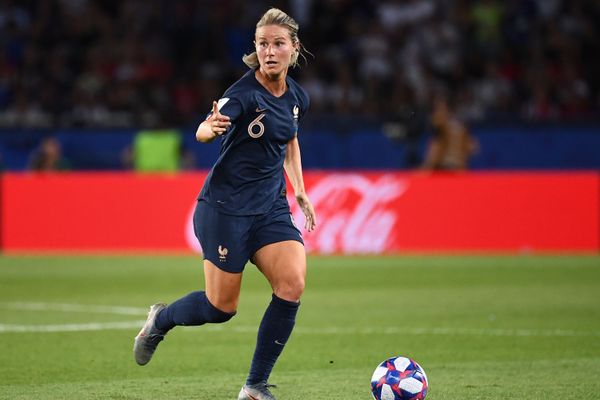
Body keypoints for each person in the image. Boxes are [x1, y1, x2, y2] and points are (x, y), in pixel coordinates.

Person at [133, 8, 316, 400]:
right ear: (255, 48)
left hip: (269, 208)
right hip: (225, 208)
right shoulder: (243, 94)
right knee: (221, 307)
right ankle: (160, 321)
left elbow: (290, 140)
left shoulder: (297, 96)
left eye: (278, 43)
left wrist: (299, 189)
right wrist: (207, 128)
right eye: (263, 44)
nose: (269, 51)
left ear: (293, 49)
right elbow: (206, 128)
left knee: (292, 283)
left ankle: (254, 386)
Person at [421, 94, 478, 170]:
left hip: (447, 170)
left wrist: (425, 170)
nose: (435, 114)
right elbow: (473, 148)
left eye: (439, 109)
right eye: (435, 110)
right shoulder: (459, 127)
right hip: (458, 170)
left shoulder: (443, 128)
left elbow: (434, 153)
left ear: (447, 111)